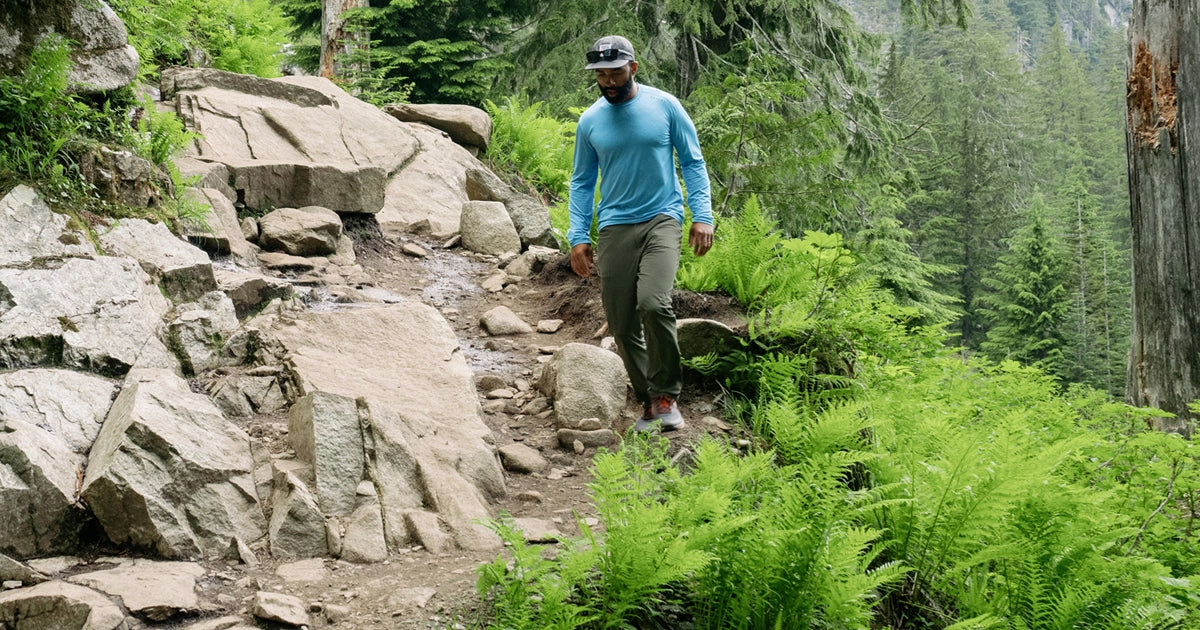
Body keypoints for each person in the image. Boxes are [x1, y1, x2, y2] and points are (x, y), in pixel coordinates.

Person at [567, 35, 715, 432]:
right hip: (614, 225)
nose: (609, 81)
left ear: (633, 68)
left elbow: (693, 162)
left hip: (661, 218)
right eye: (601, 75)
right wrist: (577, 236)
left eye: (616, 72)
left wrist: (703, 216)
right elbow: (582, 182)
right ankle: (650, 400)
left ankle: (667, 393)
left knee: (652, 302)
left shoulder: (664, 106)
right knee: (620, 323)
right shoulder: (591, 120)